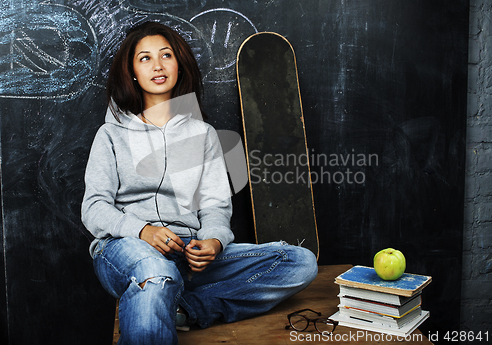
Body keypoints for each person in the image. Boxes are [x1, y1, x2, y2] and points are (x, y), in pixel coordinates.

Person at [81, 21, 318, 345]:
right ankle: (163, 284)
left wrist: (213, 242)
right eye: (145, 58)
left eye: (166, 55)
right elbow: (94, 208)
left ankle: (186, 308)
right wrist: (142, 230)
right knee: (154, 271)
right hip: (128, 248)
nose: (158, 65)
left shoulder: (202, 134)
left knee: (298, 262)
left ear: (179, 64)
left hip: (187, 251)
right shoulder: (110, 134)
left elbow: (215, 205)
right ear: (132, 72)